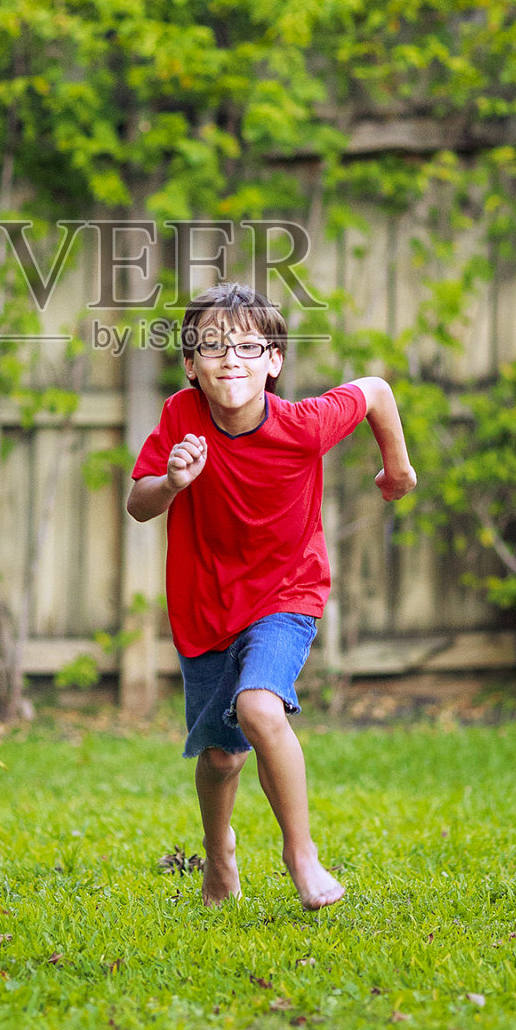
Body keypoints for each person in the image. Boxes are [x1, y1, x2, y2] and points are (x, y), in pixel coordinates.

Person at [127, 282, 417, 910]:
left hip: (288, 593)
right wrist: (172, 482)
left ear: (274, 361)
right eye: (212, 346)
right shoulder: (181, 416)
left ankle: (300, 854)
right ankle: (219, 854)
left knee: (259, 709)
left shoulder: (304, 426)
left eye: (248, 347)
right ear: (191, 365)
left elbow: (375, 390)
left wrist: (397, 469)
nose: (230, 358)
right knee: (221, 759)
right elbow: (138, 503)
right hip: (206, 608)